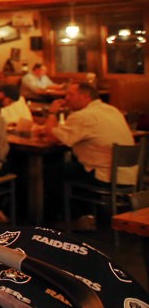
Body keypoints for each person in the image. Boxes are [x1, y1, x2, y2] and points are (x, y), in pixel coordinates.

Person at [43, 82, 135, 228]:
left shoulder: (83, 116)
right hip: (129, 174)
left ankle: (71, 218)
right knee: (73, 166)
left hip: (105, 175)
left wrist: (52, 112)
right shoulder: (112, 110)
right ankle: (88, 213)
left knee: (51, 171)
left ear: (85, 97)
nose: (66, 98)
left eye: (70, 95)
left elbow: (53, 137)